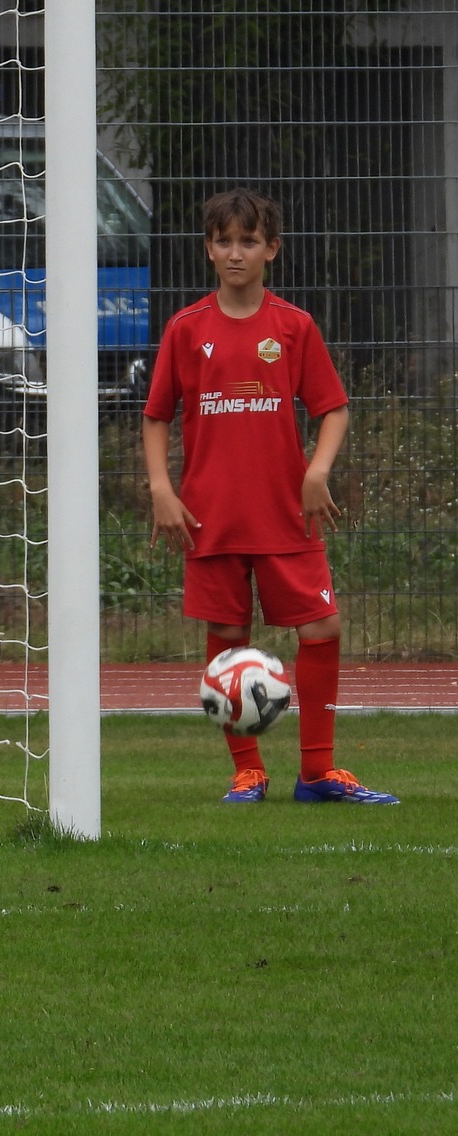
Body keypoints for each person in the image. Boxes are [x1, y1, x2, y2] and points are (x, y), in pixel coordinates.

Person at [142, 188, 395, 805]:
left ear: (271, 249)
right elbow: (156, 416)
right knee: (227, 637)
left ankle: (318, 772)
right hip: (211, 516)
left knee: (323, 625)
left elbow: (333, 409)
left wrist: (317, 472)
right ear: (208, 249)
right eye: (224, 241)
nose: (236, 253)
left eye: (248, 241)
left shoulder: (293, 326)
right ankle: (248, 773)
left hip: (286, 513)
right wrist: (161, 489)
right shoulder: (186, 329)